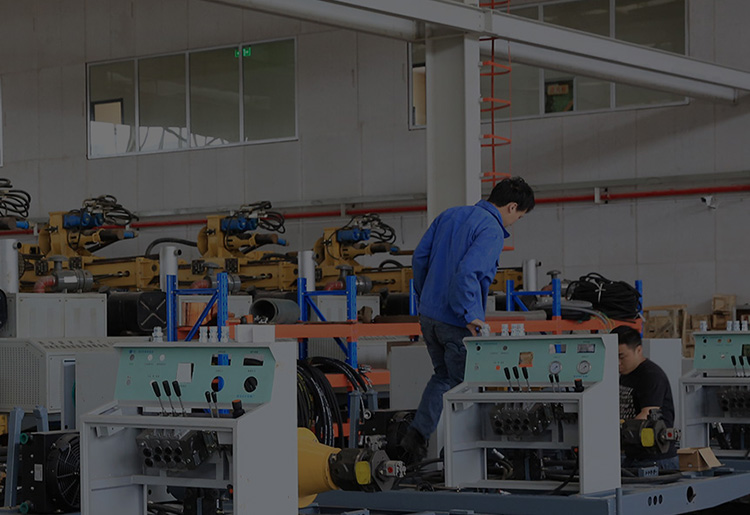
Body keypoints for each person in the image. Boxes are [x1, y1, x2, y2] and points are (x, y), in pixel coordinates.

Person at [399, 177, 535, 464]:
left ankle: (417, 437)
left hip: (429, 316)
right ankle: (468, 457)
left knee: (444, 377)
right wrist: (469, 314)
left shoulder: (449, 215)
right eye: (519, 217)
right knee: (467, 386)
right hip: (456, 320)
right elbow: (468, 273)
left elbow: (420, 258)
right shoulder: (491, 230)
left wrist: (426, 298)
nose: (515, 222)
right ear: (512, 207)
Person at [615, 325, 679, 470]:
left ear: (638, 350)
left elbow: (647, 415)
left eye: (621, 356)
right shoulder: (625, 375)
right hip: (633, 456)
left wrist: (613, 436)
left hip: (655, 460)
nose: (617, 362)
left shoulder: (651, 376)